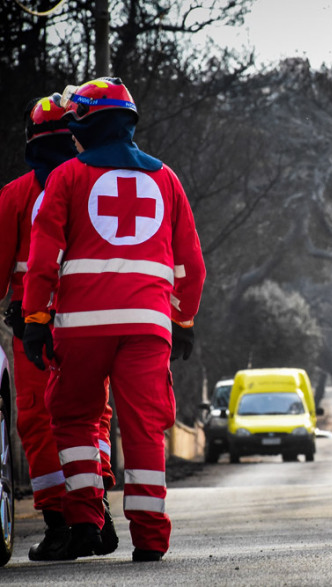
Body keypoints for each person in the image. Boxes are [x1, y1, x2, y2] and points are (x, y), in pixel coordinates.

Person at [21, 77, 206, 561]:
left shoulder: (67, 177)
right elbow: (191, 264)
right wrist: (183, 320)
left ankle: (84, 522)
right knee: (144, 426)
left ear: (83, 126)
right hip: (147, 325)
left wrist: (36, 317)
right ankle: (149, 539)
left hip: (81, 326)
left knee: (75, 417)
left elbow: (44, 257)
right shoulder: (166, 178)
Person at [0, 93, 119, 560]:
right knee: (92, 415)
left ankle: (58, 525)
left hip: (34, 326)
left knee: (38, 419)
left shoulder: (15, 195)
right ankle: (95, 510)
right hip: (87, 320)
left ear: (29, 139)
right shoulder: (97, 184)